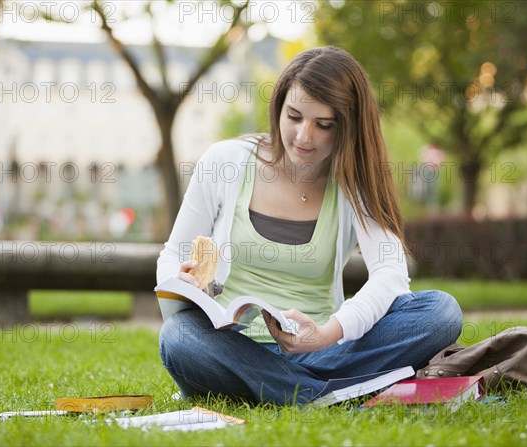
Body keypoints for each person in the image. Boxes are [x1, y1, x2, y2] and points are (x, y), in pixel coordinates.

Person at [157, 46, 462, 405]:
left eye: (324, 125)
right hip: (229, 346)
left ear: (348, 127)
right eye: (295, 116)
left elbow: (391, 275)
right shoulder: (225, 162)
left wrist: (327, 334)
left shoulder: (355, 181)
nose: (304, 137)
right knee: (178, 336)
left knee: (440, 312)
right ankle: (323, 393)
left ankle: (277, 387)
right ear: (278, 108)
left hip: (324, 350)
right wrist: (182, 279)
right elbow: (173, 253)